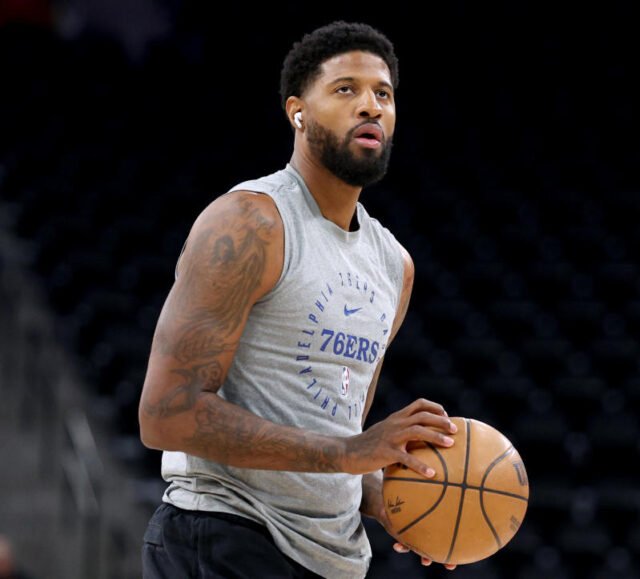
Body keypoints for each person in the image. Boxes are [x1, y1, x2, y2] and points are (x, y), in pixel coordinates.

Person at [138, 20, 458, 579]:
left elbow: (334, 430)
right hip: (225, 534)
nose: (370, 106)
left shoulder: (393, 265)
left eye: (383, 94)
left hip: (331, 557)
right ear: (297, 111)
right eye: (345, 89)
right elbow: (166, 414)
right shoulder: (251, 222)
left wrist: (389, 498)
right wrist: (349, 453)